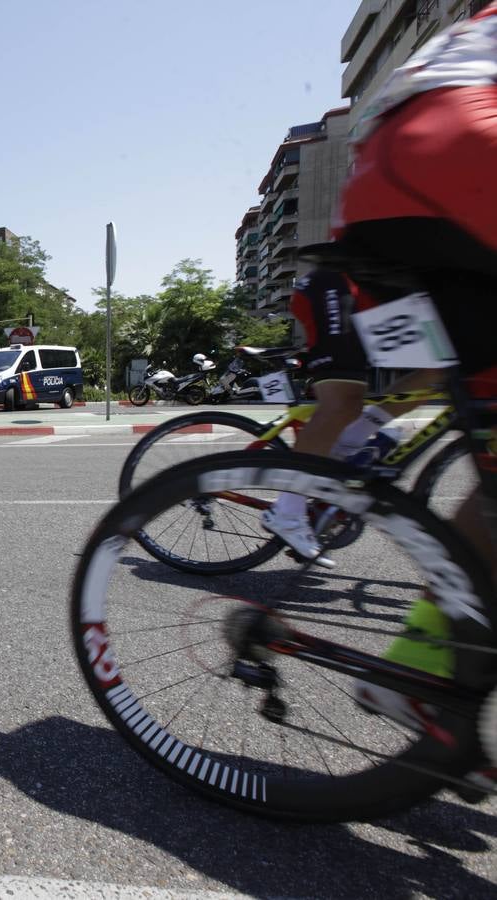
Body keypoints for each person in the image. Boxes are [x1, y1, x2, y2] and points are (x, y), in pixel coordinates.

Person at [311, 2, 497, 732]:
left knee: (452, 410)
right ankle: (306, 496)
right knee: (346, 395)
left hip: (398, 183)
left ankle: (422, 666)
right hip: (447, 157)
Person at [259, 271, 442, 565]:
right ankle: (288, 511)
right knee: (342, 402)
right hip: (339, 285)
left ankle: (349, 442)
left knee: (437, 368)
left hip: (387, 301)